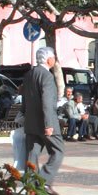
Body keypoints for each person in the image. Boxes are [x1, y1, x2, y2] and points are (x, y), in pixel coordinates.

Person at [20, 48, 65, 183]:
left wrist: (24, 115)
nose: (55, 60)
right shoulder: (47, 76)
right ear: (49, 59)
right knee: (58, 151)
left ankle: (30, 184)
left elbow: (24, 98)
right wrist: (49, 124)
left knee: (32, 154)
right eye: (53, 57)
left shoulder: (29, 74)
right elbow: (47, 102)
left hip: (31, 122)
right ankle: (43, 181)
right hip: (46, 121)